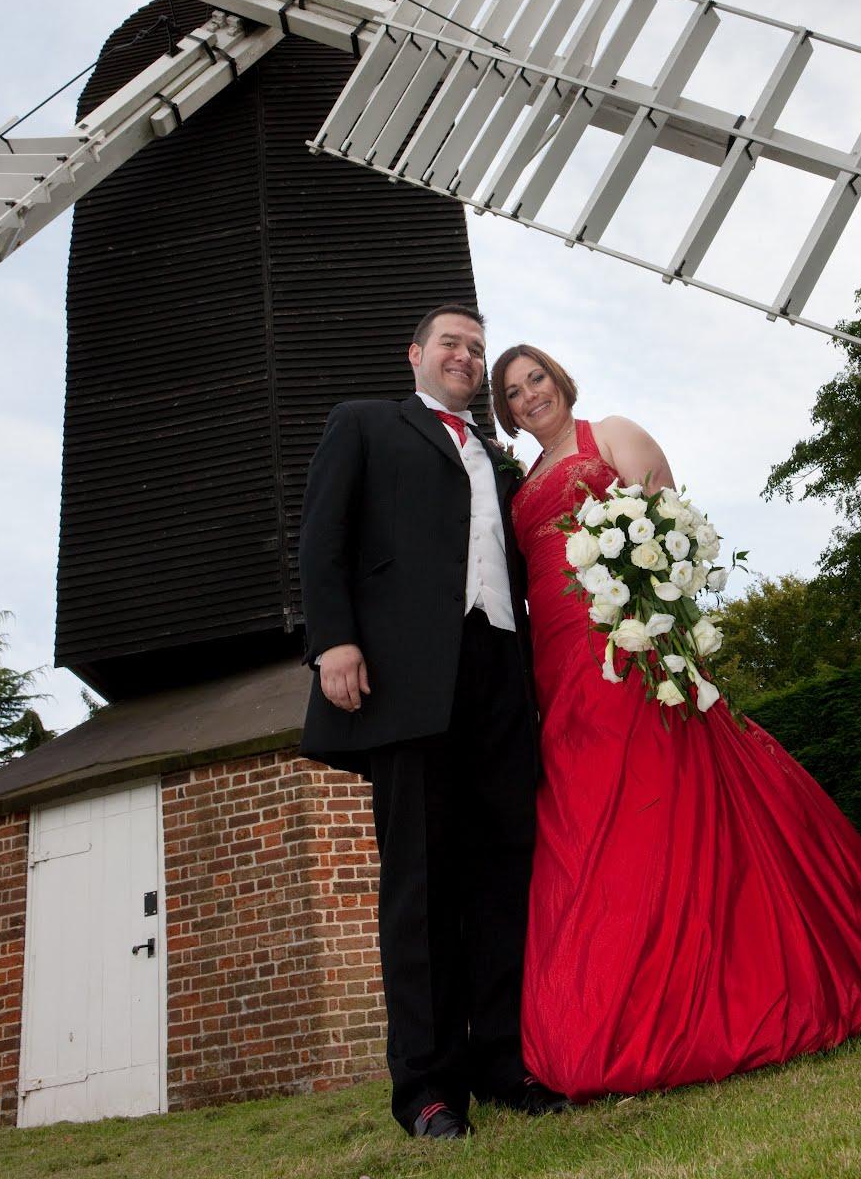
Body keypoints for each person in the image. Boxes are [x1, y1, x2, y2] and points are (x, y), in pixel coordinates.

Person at [491, 342, 861, 1100]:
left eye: (535, 378)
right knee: (584, 811)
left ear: (560, 379)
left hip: (628, 644)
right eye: (512, 392)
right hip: (557, 663)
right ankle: (601, 1003)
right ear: (506, 411)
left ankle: (719, 988)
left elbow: (670, 530)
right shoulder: (519, 487)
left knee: (664, 791)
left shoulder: (611, 435)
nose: (529, 396)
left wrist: (655, 625)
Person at [298, 305, 567, 1138]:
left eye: (476, 349)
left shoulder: (497, 457)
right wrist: (334, 640)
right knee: (420, 887)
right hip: (410, 681)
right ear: (415, 354)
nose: (466, 356)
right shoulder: (365, 423)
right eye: (451, 342)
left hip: (501, 676)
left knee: (503, 880)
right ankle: (427, 1089)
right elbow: (322, 535)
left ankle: (504, 1064)